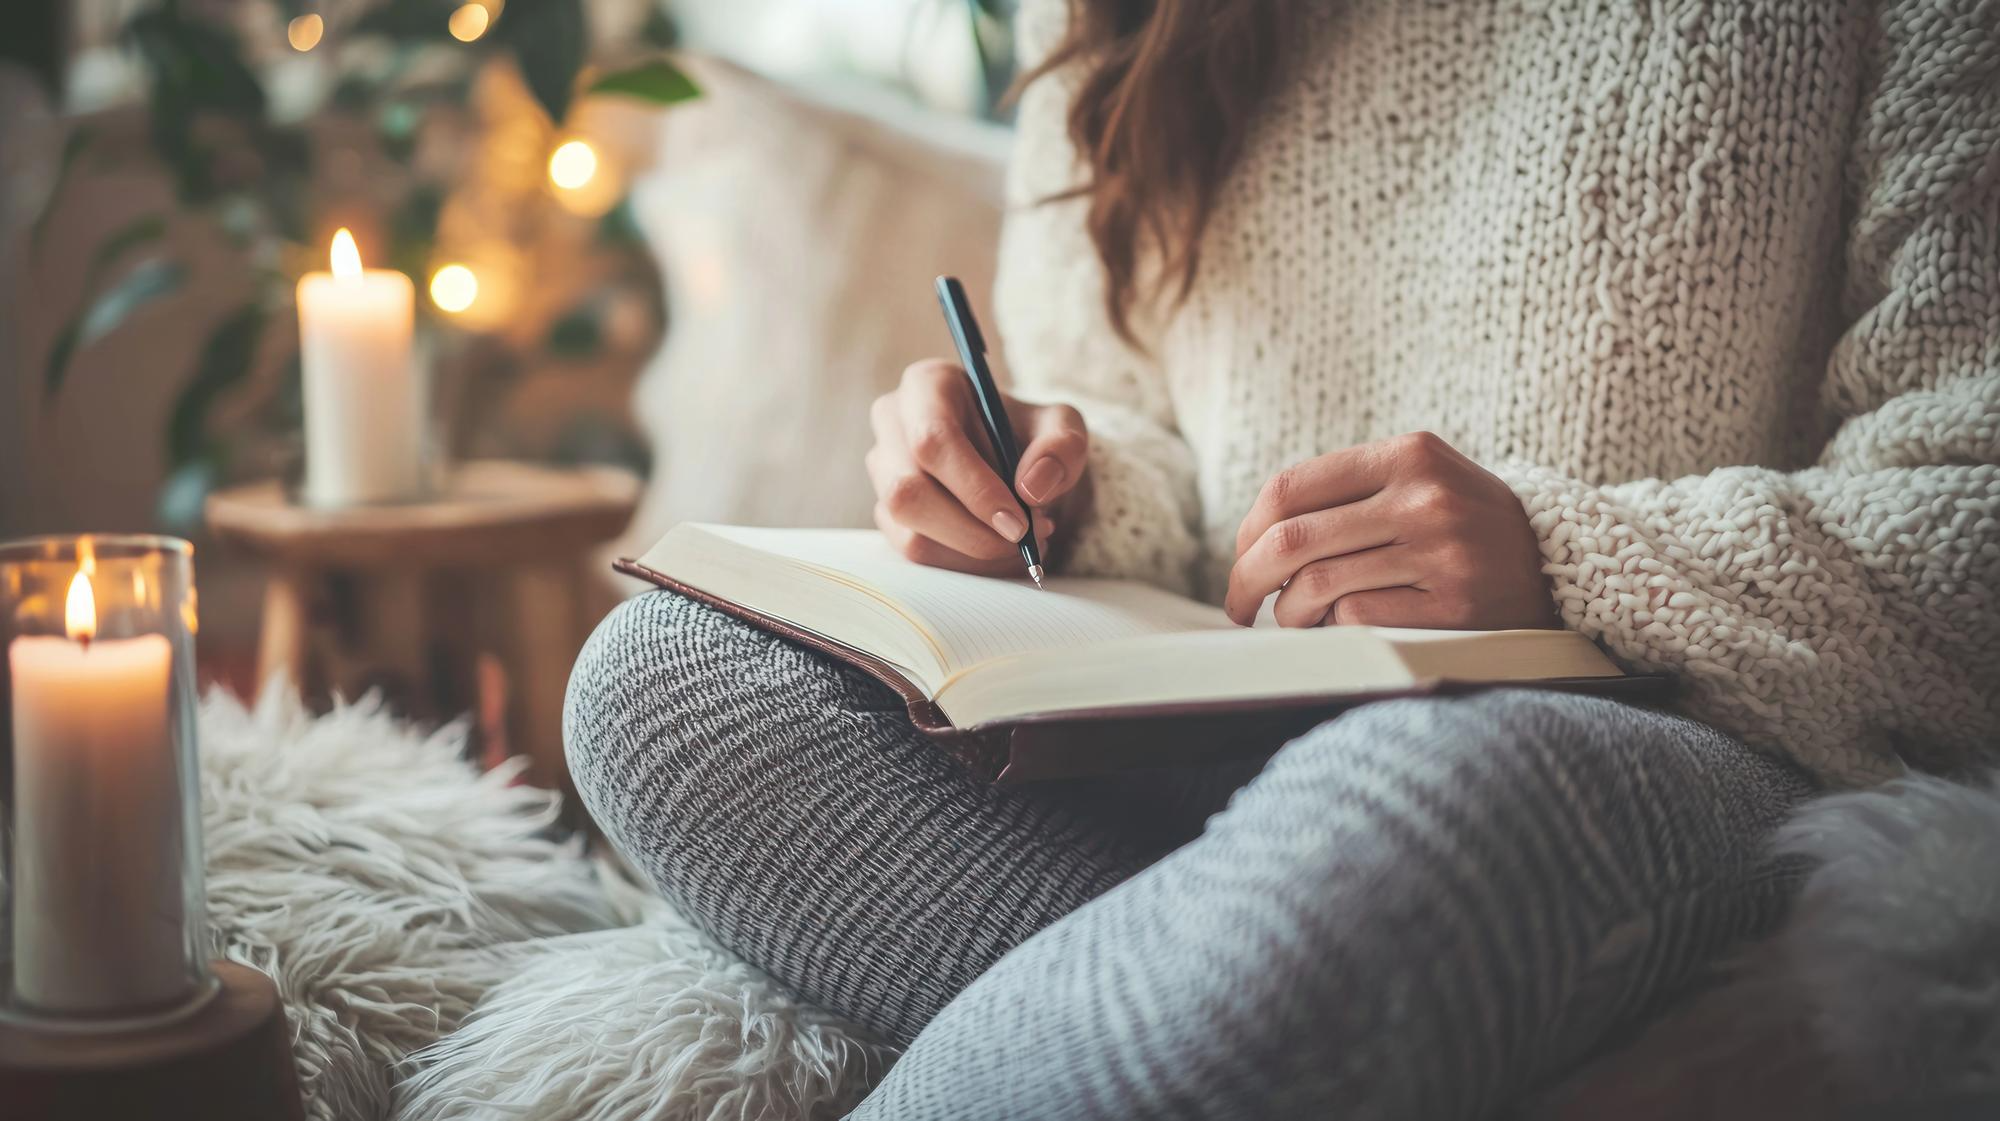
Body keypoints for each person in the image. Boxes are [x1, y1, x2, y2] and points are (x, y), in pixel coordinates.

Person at [565, 0, 1999, 1116]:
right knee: (663, 682)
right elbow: (1127, 423)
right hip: (1189, 714)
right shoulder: (1115, 22)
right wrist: (1050, 485)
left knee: (1416, 807)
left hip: (1651, 729)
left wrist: (1564, 562)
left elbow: (1966, 518)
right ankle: (1278, 999)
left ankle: (1267, 977)